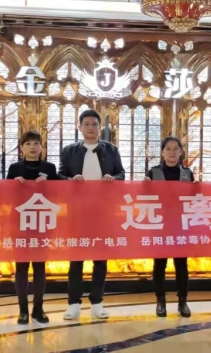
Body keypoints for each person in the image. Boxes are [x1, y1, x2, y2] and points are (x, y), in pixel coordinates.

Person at [59, 109, 125, 320]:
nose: (90, 128)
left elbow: (121, 174)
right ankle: (73, 303)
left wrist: (113, 178)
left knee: (100, 259)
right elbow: (59, 176)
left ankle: (97, 302)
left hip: (103, 212)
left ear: (100, 127)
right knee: (76, 259)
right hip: (77, 212)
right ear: (79, 127)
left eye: (94, 124)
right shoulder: (69, 151)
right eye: (86, 124)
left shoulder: (111, 150)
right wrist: (70, 180)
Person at [7, 129, 59, 325]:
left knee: (39, 266)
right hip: (20, 223)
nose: (32, 147)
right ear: (22, 148)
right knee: (21, 267)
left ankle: (38, 308)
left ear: (41, 147)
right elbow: (6, 196)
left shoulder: (50, 168)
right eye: (28, 144)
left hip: (42, 223)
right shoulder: (14, 168)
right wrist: (12, 184)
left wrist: (50, 183)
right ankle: (22, 310)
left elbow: (59, 194)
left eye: (36, 143)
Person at [145, 136, 193, 318]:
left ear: (181, 152)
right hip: (160, 226)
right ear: (162, 152)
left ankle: (183, 302)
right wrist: (144, 187)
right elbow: (145, 198)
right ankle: (161, 301)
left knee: (181, 265)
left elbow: (193, 198)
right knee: (160, 265)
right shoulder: (153, 173)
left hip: (181, 226)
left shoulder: (187, 174)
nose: (172, 152)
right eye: (168, 149)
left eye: (175, 149)